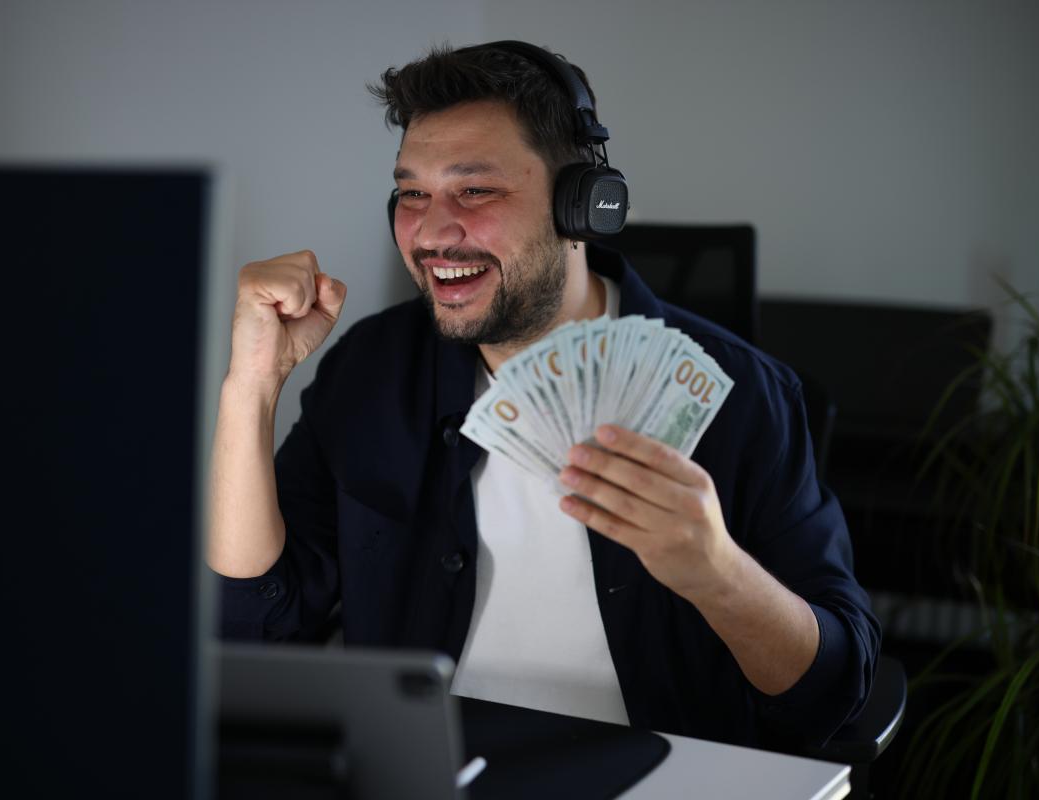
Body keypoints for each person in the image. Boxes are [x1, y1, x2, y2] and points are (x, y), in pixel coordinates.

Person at [208, 41, 880, 748]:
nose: (433, 232)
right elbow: (256, 626)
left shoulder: (744, 396)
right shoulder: (370, 371)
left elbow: (831, 695)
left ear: (582, 207)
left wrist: (717, 573)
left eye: (475, 190)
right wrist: (250, 385)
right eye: (412, 193)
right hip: (427, 770)